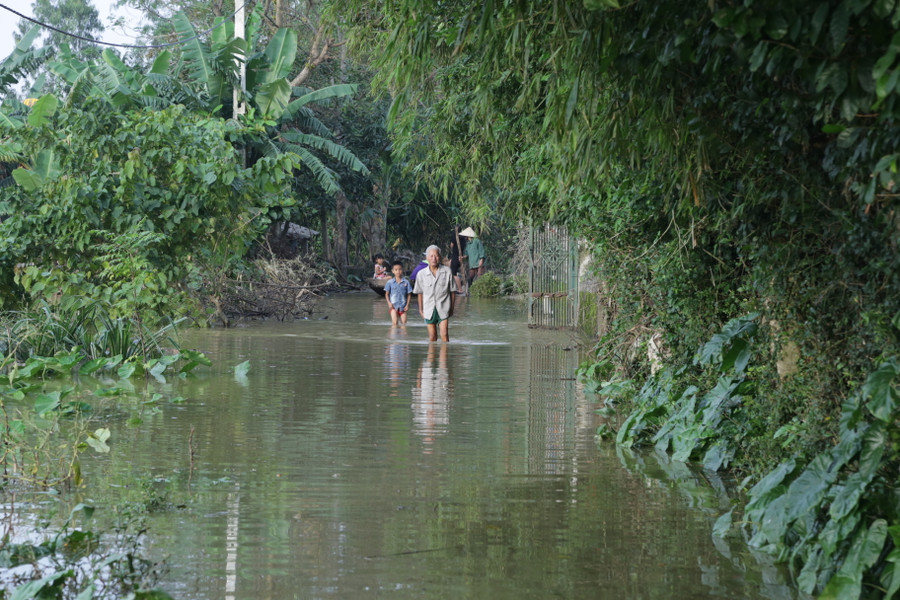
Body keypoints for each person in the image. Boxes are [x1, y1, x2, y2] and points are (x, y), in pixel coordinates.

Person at [414, 244, 457, 342]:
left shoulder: (447, 271)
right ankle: (432, 356)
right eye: (431, 256)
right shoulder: (421, 274)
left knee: (445, 335)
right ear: (427, 258)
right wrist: (421, 310)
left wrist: (452, 308)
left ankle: (445, 356)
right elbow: (419, 293)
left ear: (440, 257)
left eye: (436, 256)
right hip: (429, 309)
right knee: (432, 337)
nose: (434, 258)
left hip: (443, 307)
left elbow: (452, 291)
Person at [383, 260, 412, 326]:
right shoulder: (390, 282)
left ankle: (402, 336)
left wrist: (407, 305)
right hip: (393, 306)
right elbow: (386, 294)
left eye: (400, 269)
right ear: (393, 271)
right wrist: (389, 303)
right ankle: (393, 335)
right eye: (396, 270)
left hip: (403, 307)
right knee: (395, 323)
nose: (398, 271)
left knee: (404, 324)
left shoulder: (406, 282)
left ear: (402, 270)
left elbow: (409, 294)